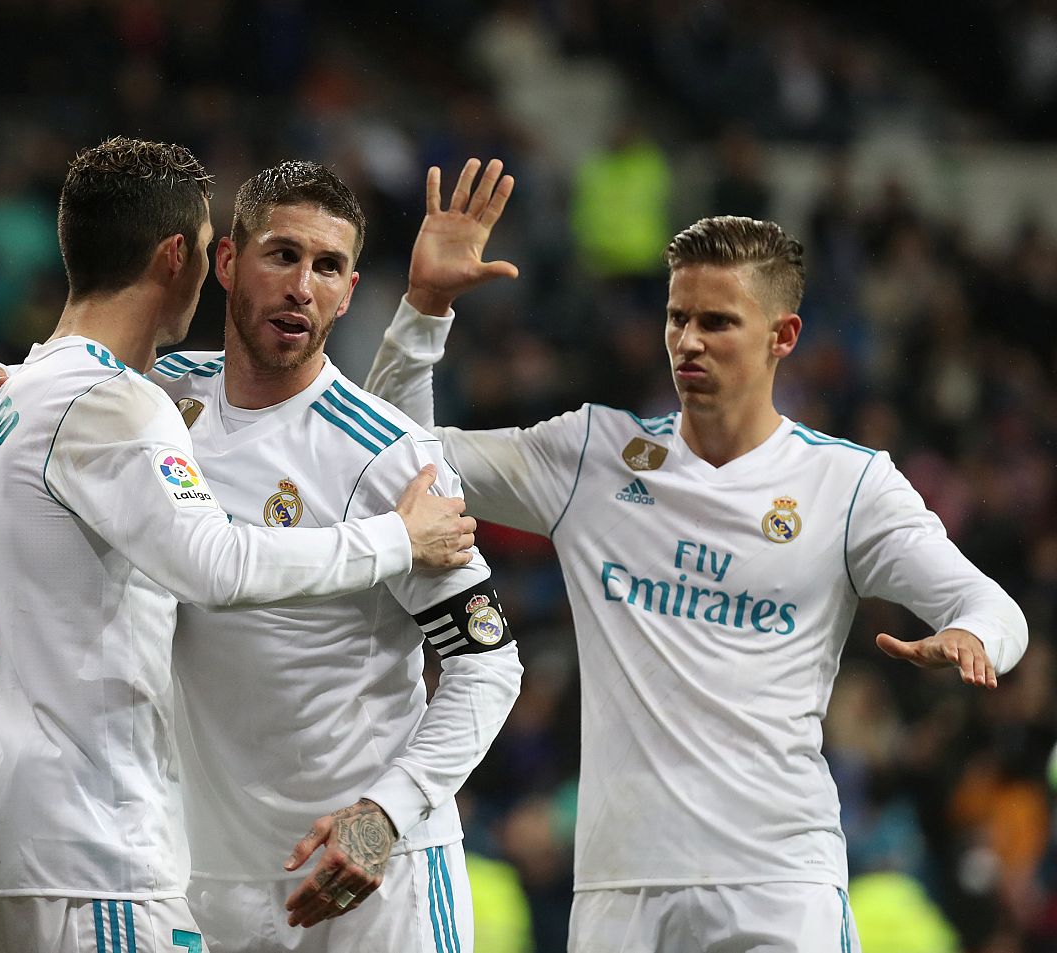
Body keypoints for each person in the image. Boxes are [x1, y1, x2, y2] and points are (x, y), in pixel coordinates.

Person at [365, 213, 1030, 951]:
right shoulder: (594, 455)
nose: (688, 340)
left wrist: (976, 636)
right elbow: (391, 462)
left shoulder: (847, 485)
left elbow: (991, 604)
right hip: (622, 887)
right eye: (678, 317)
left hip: (779, 883)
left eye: (717, 322)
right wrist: (424, 307)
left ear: (784, 336)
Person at [0, 157, 524, 953]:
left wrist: (388, 812)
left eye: (329, 267)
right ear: (224, 263)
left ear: (350, 292)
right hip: (205, 881)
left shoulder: (388, 458)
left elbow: (488, 664)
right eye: (282, 255)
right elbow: (68, 379)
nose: (302, 286)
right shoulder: (157, 400)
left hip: (368, 877)